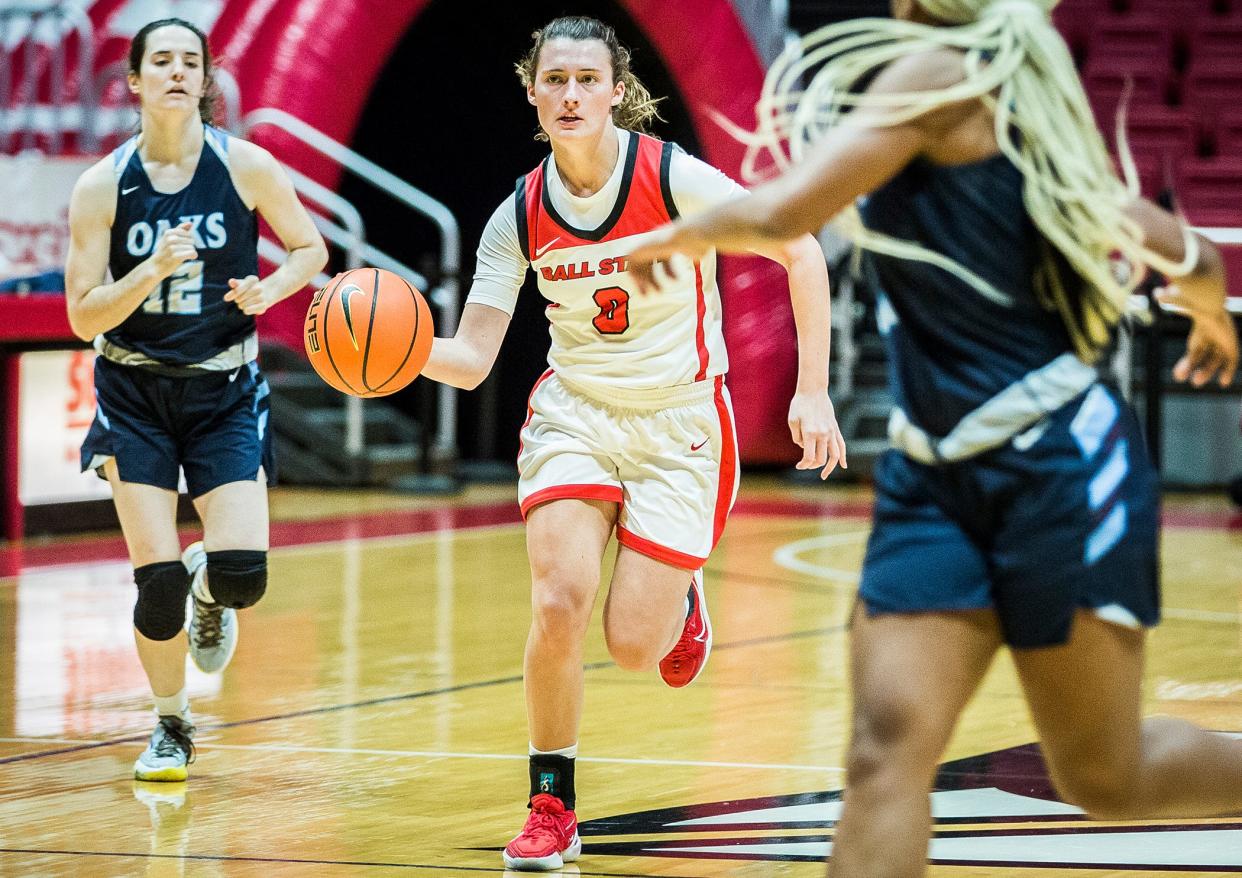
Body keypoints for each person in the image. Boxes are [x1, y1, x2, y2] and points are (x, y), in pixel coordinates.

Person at [626, 1, 1242, 875]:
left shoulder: (940, 72)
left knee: (1106, 775)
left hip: (1055, 466)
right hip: (934, 476)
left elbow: (781, 212)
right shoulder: (994, 98)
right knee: (883, 752)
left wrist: (681, 233)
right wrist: (1211, 307)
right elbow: (1194, 257)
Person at [420, 15, 846, 871]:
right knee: (555, 600)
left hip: (681, 421)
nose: (571, 95)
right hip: (575, 414)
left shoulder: (671, 177)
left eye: (587, 79)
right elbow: (469, 361)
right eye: (555, 80)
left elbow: (801, 250)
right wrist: (393, 357)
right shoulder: (517, 215)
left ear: (617, 91)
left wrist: (812, 391)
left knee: (630, 647)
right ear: (532, 92)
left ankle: (681, 596)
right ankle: (551, 805)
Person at [64, 18, 327, 782]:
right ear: (136, 82)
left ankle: (213, 585)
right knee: (157, 586)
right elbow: (83, 314)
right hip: (133, 390)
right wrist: (146, 275)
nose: (178, 72)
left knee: (243, 574)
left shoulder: (244, 165)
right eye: (162, 61)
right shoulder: (102, 186)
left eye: (191, 61)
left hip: (224, 389)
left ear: (206, 80)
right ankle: (171, 723)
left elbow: (309, 248)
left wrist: (271, 287)